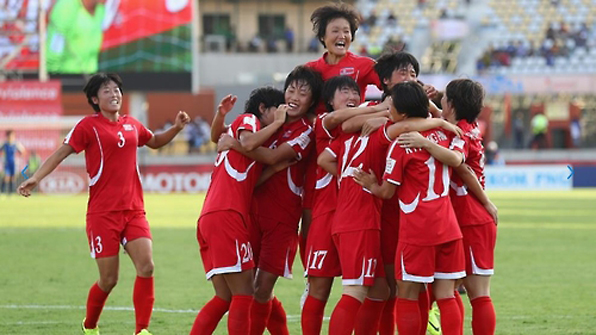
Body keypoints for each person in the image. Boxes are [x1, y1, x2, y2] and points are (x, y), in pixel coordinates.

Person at [17, 73, 191, 335]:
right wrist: (35, 178)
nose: (114, 94)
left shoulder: (132, 124)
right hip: (102, 214)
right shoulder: (88, 126)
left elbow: (154, 141)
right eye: (107, 91)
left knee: (147, 266)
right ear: (95, 99)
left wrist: (176, 128)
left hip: (134, 211)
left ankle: (142, 331)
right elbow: (60, 154)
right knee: (109, 280)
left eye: (117, 90)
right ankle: (89, 326)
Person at [317, 81, 462, 335]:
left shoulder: (385, 139)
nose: (387, 110)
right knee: (439, 293)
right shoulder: (443, 135)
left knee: (385, 290)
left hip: (391, 222)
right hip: (441, 223)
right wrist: (440, 122)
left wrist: (357, 179)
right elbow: (458, 161)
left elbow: (327, 160)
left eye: (391, 105)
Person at [216, 66, 324, 335]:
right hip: (250, 212)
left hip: (282, 218)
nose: (295, 96)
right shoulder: (264, 121)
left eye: (303, 92)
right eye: (291, 89)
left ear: (312, 101)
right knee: (251, 288)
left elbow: (274, 158)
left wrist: (235, 145)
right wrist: (224, 126)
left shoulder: (306, 130)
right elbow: (221, 137)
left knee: (261, 289)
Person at [190, 88, 287, 335]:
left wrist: (220, 116)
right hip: (227, 215)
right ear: (264, 108)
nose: (283, 113)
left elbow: (221, 140)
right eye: (279, 108)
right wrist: (277, 124)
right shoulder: (249, 120)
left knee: (224, 297)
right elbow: (246, 141)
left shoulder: (244, 141)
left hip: (212, 216)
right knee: (244, 295)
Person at [46, 0, 106, 73]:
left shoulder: (100, 10)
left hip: (90, 78)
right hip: (66, 77)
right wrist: (54, 78)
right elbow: (54, 50)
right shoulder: (66, 6)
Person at [1, 130, 25, 195]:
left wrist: (20, 157)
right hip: (6, 163)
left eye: (12, 135)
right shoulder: (4, 144)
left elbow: (22, 151)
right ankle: (2, 191)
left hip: (13, 163)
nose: (11, 136)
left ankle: (11, 192)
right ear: (7, 136)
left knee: (13, 177)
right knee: (6, 177)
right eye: (10, 135)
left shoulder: (16, 144)